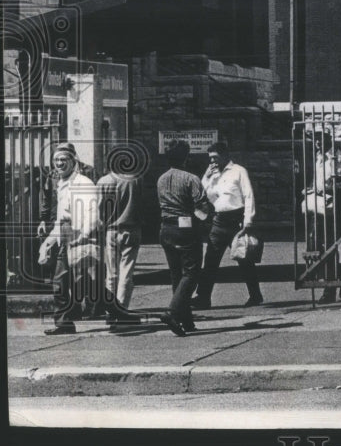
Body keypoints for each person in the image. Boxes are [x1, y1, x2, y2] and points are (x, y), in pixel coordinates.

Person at [192, 141, 263, 309]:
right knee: (210, 260)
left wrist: (248, 221)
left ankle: (255, 295)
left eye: (215, 158)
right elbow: (202, 195)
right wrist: (207, 177)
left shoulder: (239, 171)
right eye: (210, 159)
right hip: (218, 220)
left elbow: (248, 196)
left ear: (225, 156)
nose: (212, 162)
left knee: (244, 259)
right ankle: (203, 297)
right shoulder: (214, 175)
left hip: (236, 220)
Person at [40, 142, 99, 335]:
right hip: (65, 234)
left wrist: (83, 235)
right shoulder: (60, 184)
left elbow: (92, 213)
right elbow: (60, 219)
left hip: (78, 234)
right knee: (61, 281)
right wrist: (48, 243)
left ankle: (119, 313)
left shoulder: (83, 183)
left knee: (85, 282)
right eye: (56, 160)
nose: (59, 163)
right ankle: (64, 323)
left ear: (73, 161)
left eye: (63, 159)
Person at [156, 140, 213, 336]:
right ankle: (173, 312)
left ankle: (186, 319)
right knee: (192, 272)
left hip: (166, 227)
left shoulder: (161, 179)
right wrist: (205, 219)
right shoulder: (191, 178)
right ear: (186, 158)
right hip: (185, 226)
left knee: (176, 274)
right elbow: (201, 205)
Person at [302, 131, 341, 303]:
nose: (317, 143)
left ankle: (329, 290)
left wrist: (327, 188)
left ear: (329, 139)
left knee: (328, 246)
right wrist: (310, 188)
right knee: (315, 245)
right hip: (317, 204)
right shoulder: (317, 157)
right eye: (315, 140)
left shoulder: (336, 157)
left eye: (320, 140)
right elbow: (316, 179)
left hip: (332, 206)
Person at [96, 145, 145, 330]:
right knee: (127, 272)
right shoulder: (136, 179)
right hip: (132, 228)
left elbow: (99, 209)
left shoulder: (104, 181)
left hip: (111, 230)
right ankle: (123, 309)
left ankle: (111, 311)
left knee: (112, 273)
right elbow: (142, 204)